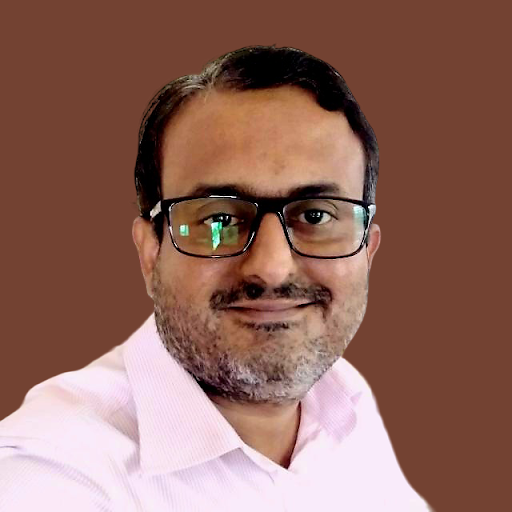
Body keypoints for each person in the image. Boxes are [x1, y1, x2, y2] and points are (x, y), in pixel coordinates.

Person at [0, 45, 432, 511]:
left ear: (368, 251)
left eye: (315, 215)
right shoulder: (46, 471)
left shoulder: (344, 402)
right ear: (150, 252)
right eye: (219, 219)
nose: (272, 267)